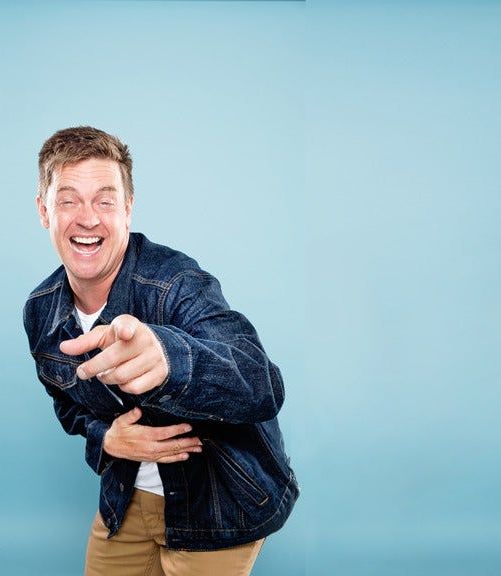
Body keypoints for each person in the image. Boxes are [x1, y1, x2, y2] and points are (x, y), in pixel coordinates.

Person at [23, 126, 298, 576]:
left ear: (127, 209)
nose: (87, 219)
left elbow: (261, 384)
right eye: (69, 201)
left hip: (217, 506)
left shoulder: (176, 283)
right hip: (125, 497)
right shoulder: (41, 312)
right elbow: (68, 405)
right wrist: (105, 438)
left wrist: (171, 360)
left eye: (105, 201)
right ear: (44, 211)